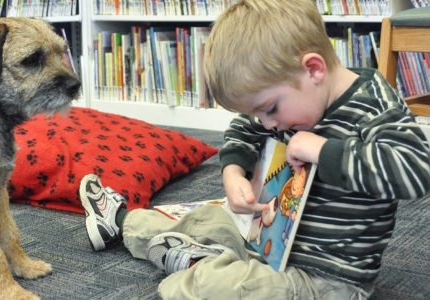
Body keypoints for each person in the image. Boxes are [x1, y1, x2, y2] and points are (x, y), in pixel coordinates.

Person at [79, 0, 430, 299]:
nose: (266, 124)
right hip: (264, 243)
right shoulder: (291, 97)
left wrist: (323, 150)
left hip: (325, 280)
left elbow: (416, 171)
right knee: (207, 218)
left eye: (270, 109)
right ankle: (122, 222)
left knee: (216, 285)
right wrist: (233, 173)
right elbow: (243, 130)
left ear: (313, 69)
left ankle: (200, 265)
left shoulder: (375, 106)